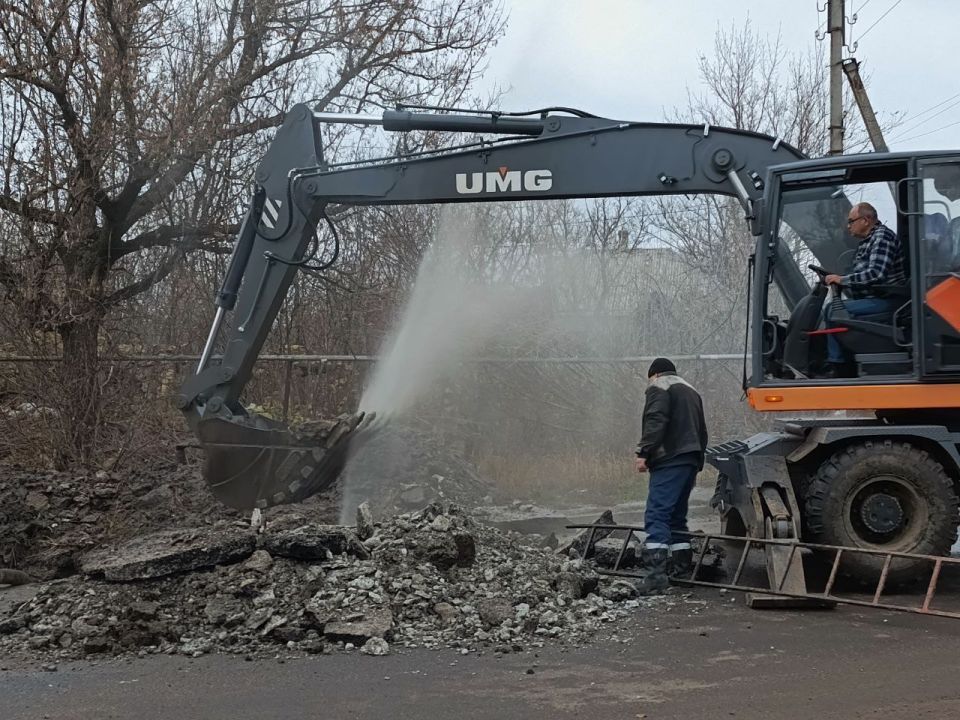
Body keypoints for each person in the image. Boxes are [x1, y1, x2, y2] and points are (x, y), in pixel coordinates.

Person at [633, 358, 709, 595]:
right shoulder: (690, 390)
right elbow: (702, 430)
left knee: (657, 513)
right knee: (677, 516)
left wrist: (644, 452)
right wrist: (697, 460)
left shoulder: (660, 386)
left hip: (670, 458)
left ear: (654, 374)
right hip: (690, 459)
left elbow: (656, 419)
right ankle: (682, 572)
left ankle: (655, 577)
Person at [821, 202, 906, 378]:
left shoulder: (882, 238)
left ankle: (838, 366)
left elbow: (876, 274)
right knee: (832, 308)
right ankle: (841, 360)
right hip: (875, 298)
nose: (848, 226)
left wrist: (842, 280)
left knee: (833, 311)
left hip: (888, 301)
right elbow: (862, 274)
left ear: (866, 220)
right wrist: (840, 280)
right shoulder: (868, 241)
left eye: (851, 221)